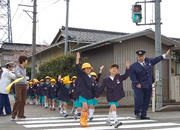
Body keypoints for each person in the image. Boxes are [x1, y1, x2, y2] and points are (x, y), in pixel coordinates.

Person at [129, 49, 170, 120]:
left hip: (148, 85)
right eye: (139, 56)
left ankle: (143, 114)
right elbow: (132, 76)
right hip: (139, 86)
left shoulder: (149, 62)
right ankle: (137, 112)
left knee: (146, 100)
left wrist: (165, 55)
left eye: (142, 56)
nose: (140, 57)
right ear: (137, 57)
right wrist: (136, 83)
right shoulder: (133, 66)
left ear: (144, 56)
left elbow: (157, 59)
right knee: (139, 100)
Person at [96, 62, 130, 128]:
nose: (114, 69)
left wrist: (127, 68)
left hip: (116, 95)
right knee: (113, 107)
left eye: (116, 68)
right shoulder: (106, 79)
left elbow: (126, 76)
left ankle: (108, 120)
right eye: (113, 68)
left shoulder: (119, 77)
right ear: (110, 70)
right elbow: (101, 87)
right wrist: (97, 95)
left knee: (112, 108)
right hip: (110, 95)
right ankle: (116, 121)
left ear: (118, 71)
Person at [76, 52, 96, 127]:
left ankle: (85, 120)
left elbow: (93, 87)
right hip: (83, 94)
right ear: (83, 70)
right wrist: (77, 59)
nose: (88, 70)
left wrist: (95, 94)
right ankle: (82, 121)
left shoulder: (91, 78)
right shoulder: (82, 75)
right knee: (85, 107)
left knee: (88, 108)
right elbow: (77, 67)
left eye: (89, 68)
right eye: (86, 68)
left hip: (89, 95)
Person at [11, 56, 28, 120]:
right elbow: (17, 74)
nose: (27, 61)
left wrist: (27, 84)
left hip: (24, 85)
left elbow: (25, 77)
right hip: (18, 85)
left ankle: (21, 114)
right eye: (26, 60)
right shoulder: (17, 67)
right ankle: (13, 113)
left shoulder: (24, 68)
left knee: (23, 100)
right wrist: (20, 75)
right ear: (23, 61)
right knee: (18, 99)